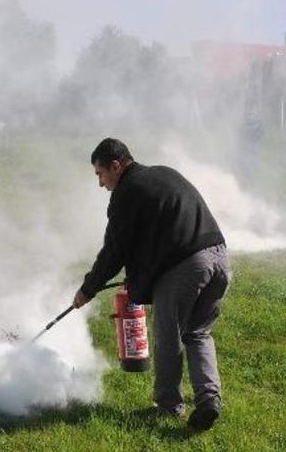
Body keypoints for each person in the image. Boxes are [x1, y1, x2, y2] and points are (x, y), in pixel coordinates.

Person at [72, 138, 230, 431]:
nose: (100, 183)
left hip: (188, 266)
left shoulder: (127, 192)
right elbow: (156, 239)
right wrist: (140, 277)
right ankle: (209, 401)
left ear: (116, 166)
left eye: (100, 174)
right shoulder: (162, 174)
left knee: (168, 336)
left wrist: (87, 289)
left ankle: (169, 407)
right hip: (219, 258)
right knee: (198, 333)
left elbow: (114, 252)